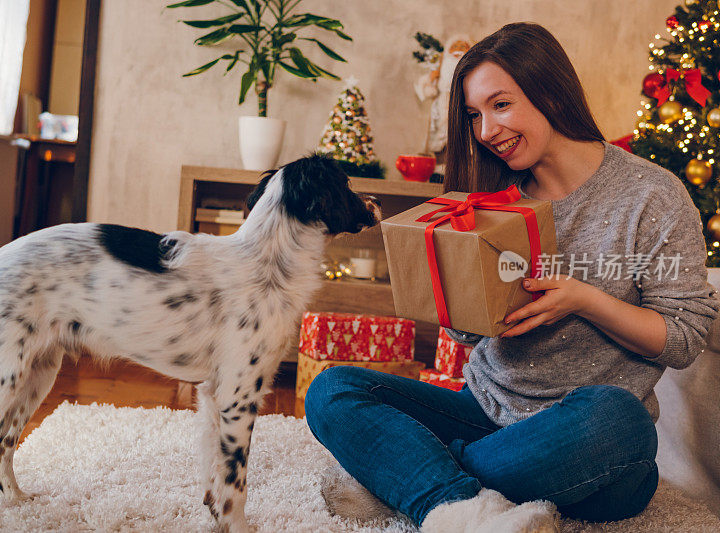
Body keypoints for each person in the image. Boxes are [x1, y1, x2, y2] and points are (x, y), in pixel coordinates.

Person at [304, 22, 720, 532]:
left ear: (549, 89)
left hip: (587, 435)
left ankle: (414, 482)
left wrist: (583, 300)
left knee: (619, 419)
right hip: (483, 411)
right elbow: (467, 335)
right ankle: (456, 501)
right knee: (332, 389)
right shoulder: (491, 200)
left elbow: (684, 339)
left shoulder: (650, 196)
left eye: (500, 105)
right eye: (474, 115)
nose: (485, 131)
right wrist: (456, 291)